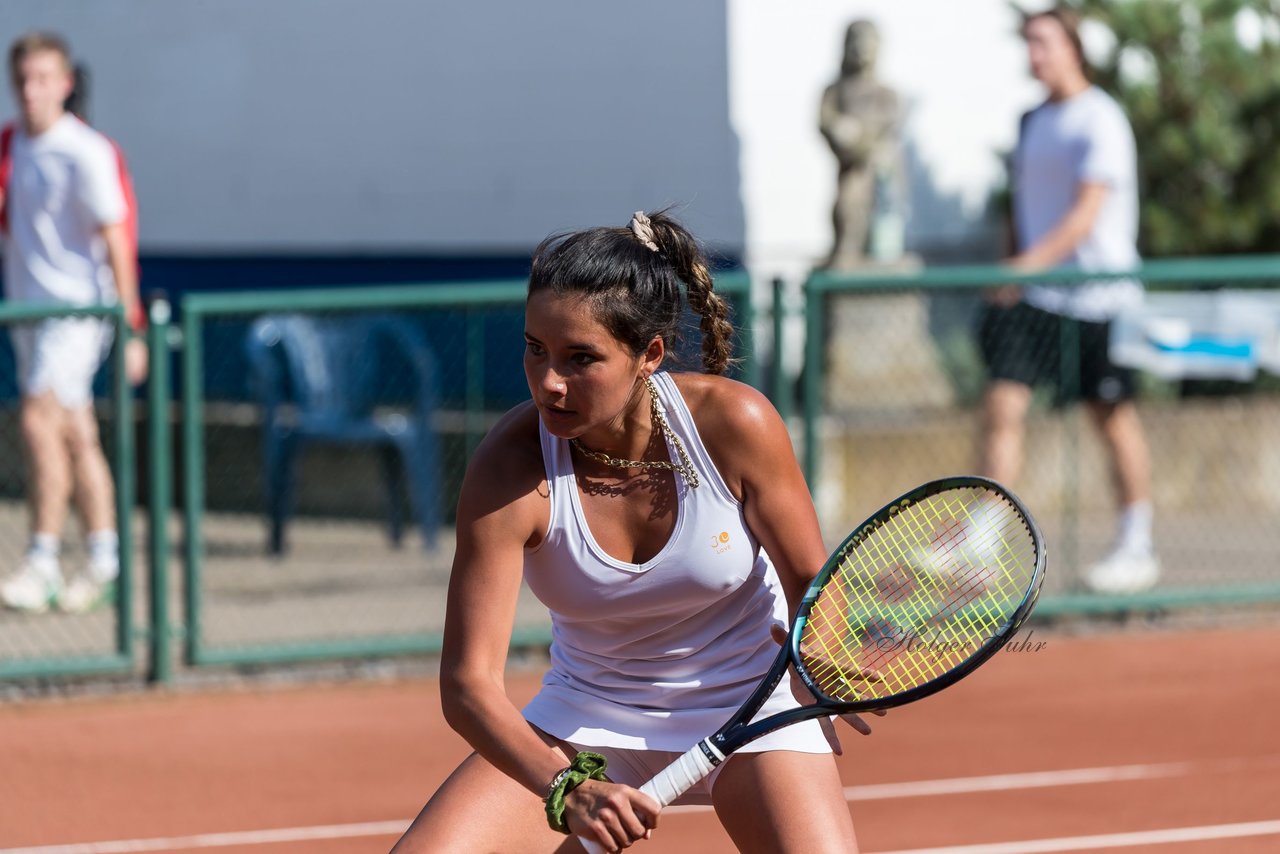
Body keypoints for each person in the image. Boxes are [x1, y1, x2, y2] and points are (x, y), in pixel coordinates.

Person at [392, 210, 876, 853]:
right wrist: (568, 786)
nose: (549, 382)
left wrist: (827, 651)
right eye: (535, 348)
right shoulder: (509, 465)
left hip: (751, 710)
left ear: (648, 355)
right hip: (585, 718)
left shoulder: (736, 424)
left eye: (580, 358)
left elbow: (815, 581)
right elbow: (467, 688)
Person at [977, 7, 1157, 594]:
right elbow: (1020, 206)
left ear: (1074, 49)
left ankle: (1137, 545)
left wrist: (1021, 266)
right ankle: (985, 541)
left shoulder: (1101, 118)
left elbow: (1085, 216)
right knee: (1004, 405)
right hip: (1038, 297)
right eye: (1028, 42)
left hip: (1100, 298)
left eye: (1044, 43)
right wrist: (1014, 264)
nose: (1034, 55)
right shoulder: (1032, 120)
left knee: (1113, 420)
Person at [0, 32, 147, 614]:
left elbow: (117, 236)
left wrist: (130, 324)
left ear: (65, 83)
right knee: (77, 435)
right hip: (28, 314)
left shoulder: (85, 151)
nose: (31, 90)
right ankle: (106, 558)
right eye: (23, 79)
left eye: (43, 79)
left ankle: (41, 562)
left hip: (78, 315)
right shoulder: (11, 148)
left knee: (38, 420)